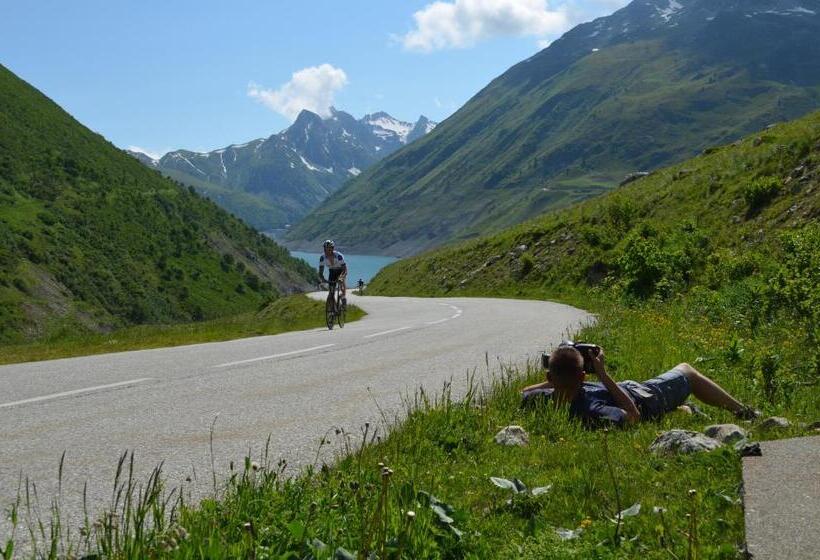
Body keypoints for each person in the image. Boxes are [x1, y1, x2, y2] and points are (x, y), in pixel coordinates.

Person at [522, 344, 759, 428]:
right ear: (584, 377)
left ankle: (683, 409)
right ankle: (743, 412)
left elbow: (525, 392)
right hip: (645, 398)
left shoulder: (541, 400)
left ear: (549, 377)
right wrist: (603, 375)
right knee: (687, 371)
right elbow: (633, 415)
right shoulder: (591, 408)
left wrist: (556, 380)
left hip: (630, 390)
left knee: (681, 393)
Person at [318, 239, 347, 308]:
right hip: (332, 272)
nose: (326, 251)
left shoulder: (339, 256)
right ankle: (334, 308)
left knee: (341, 285)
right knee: (331, 292)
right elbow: (321, 271)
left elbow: (345, 270)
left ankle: (343, 297)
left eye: (329, 249)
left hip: (340, 271)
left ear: (332, 249)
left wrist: (341, 277)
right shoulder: (322, 258)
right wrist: (322, 278)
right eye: (325, 249)